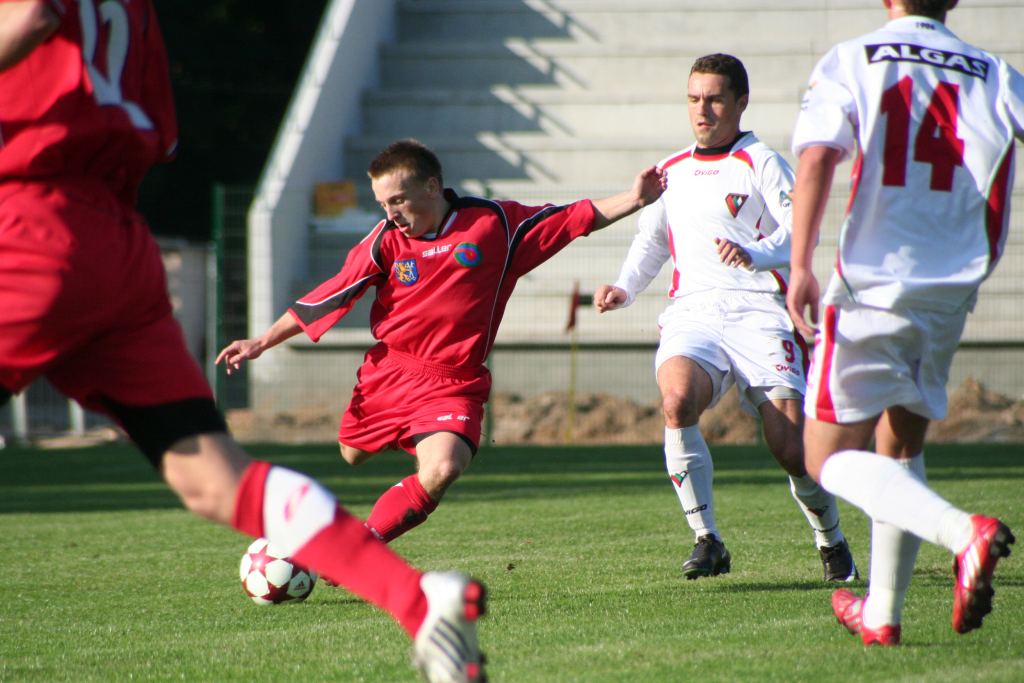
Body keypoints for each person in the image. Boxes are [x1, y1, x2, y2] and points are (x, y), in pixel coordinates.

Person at [0, 3, 486, 681]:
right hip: (115, 239)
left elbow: (30, 16)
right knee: (214, 477)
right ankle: (416, 600)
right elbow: (155, 135)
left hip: (26, 217)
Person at [217, 139, 667, 543]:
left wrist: (635, 199)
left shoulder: (493, 224)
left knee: (444, 467)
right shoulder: (385, 241)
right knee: (351, 454)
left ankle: (361, 546)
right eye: (382, 203)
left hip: (453, 380)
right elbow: (332, 293)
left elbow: (574, 219)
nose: (390, 213)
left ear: (431, 187)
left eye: (398, 200)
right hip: (391, 372)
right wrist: (262, 341)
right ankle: (403, 438)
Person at [787, 0, 1018, 645]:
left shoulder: (854, 57)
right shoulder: (992, 71)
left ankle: (960, 533)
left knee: (826, 458)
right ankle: (882, 614)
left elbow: (815, 159)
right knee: (901, 448)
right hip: (952, 286)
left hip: (872, 282)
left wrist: (800, 263)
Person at [594, 53, 858, 582]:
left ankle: (829, 539)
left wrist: (756, 254)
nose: (702, 109)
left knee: (788, 447)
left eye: (714, 98)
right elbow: (651, 241)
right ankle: (706, 539)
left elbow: (798, 231)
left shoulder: (761, 162)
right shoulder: (670, 172)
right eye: (694, 99)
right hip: (694, 310)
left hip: (760, 310)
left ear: (740, 102)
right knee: (675, 401)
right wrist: (624, 287)